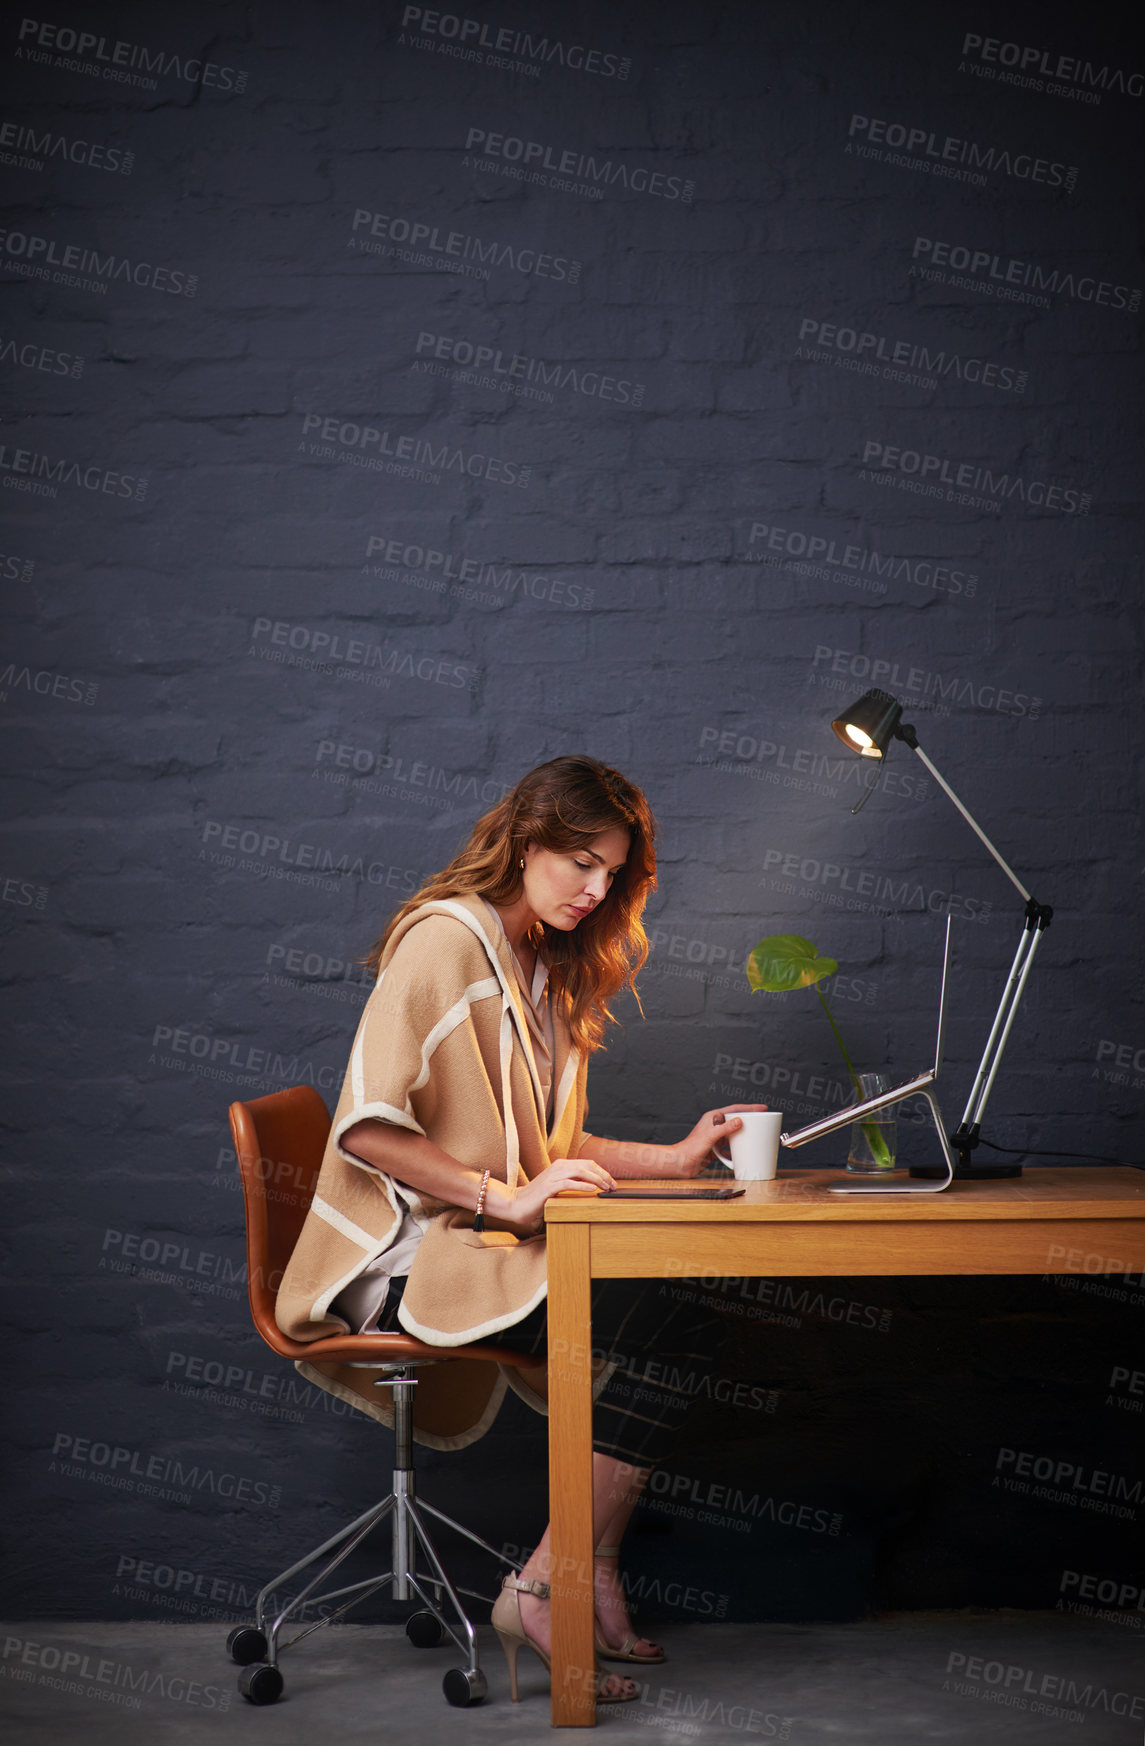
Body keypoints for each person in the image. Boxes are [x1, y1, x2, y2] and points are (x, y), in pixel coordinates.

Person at [275, 755, 767, 1704]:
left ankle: (580, 1576)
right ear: (525, 842)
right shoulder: (447, 943)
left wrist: (675, 1155)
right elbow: (368, 1124)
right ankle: (545, 1588)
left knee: (687, 1317)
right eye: (578, 861)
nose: (593, 888)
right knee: (676, 1319)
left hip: (475, 1244)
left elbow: (545, 1143)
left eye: (611, 873)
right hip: (405, 1262)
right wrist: (502, 1201)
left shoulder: (536, 960)